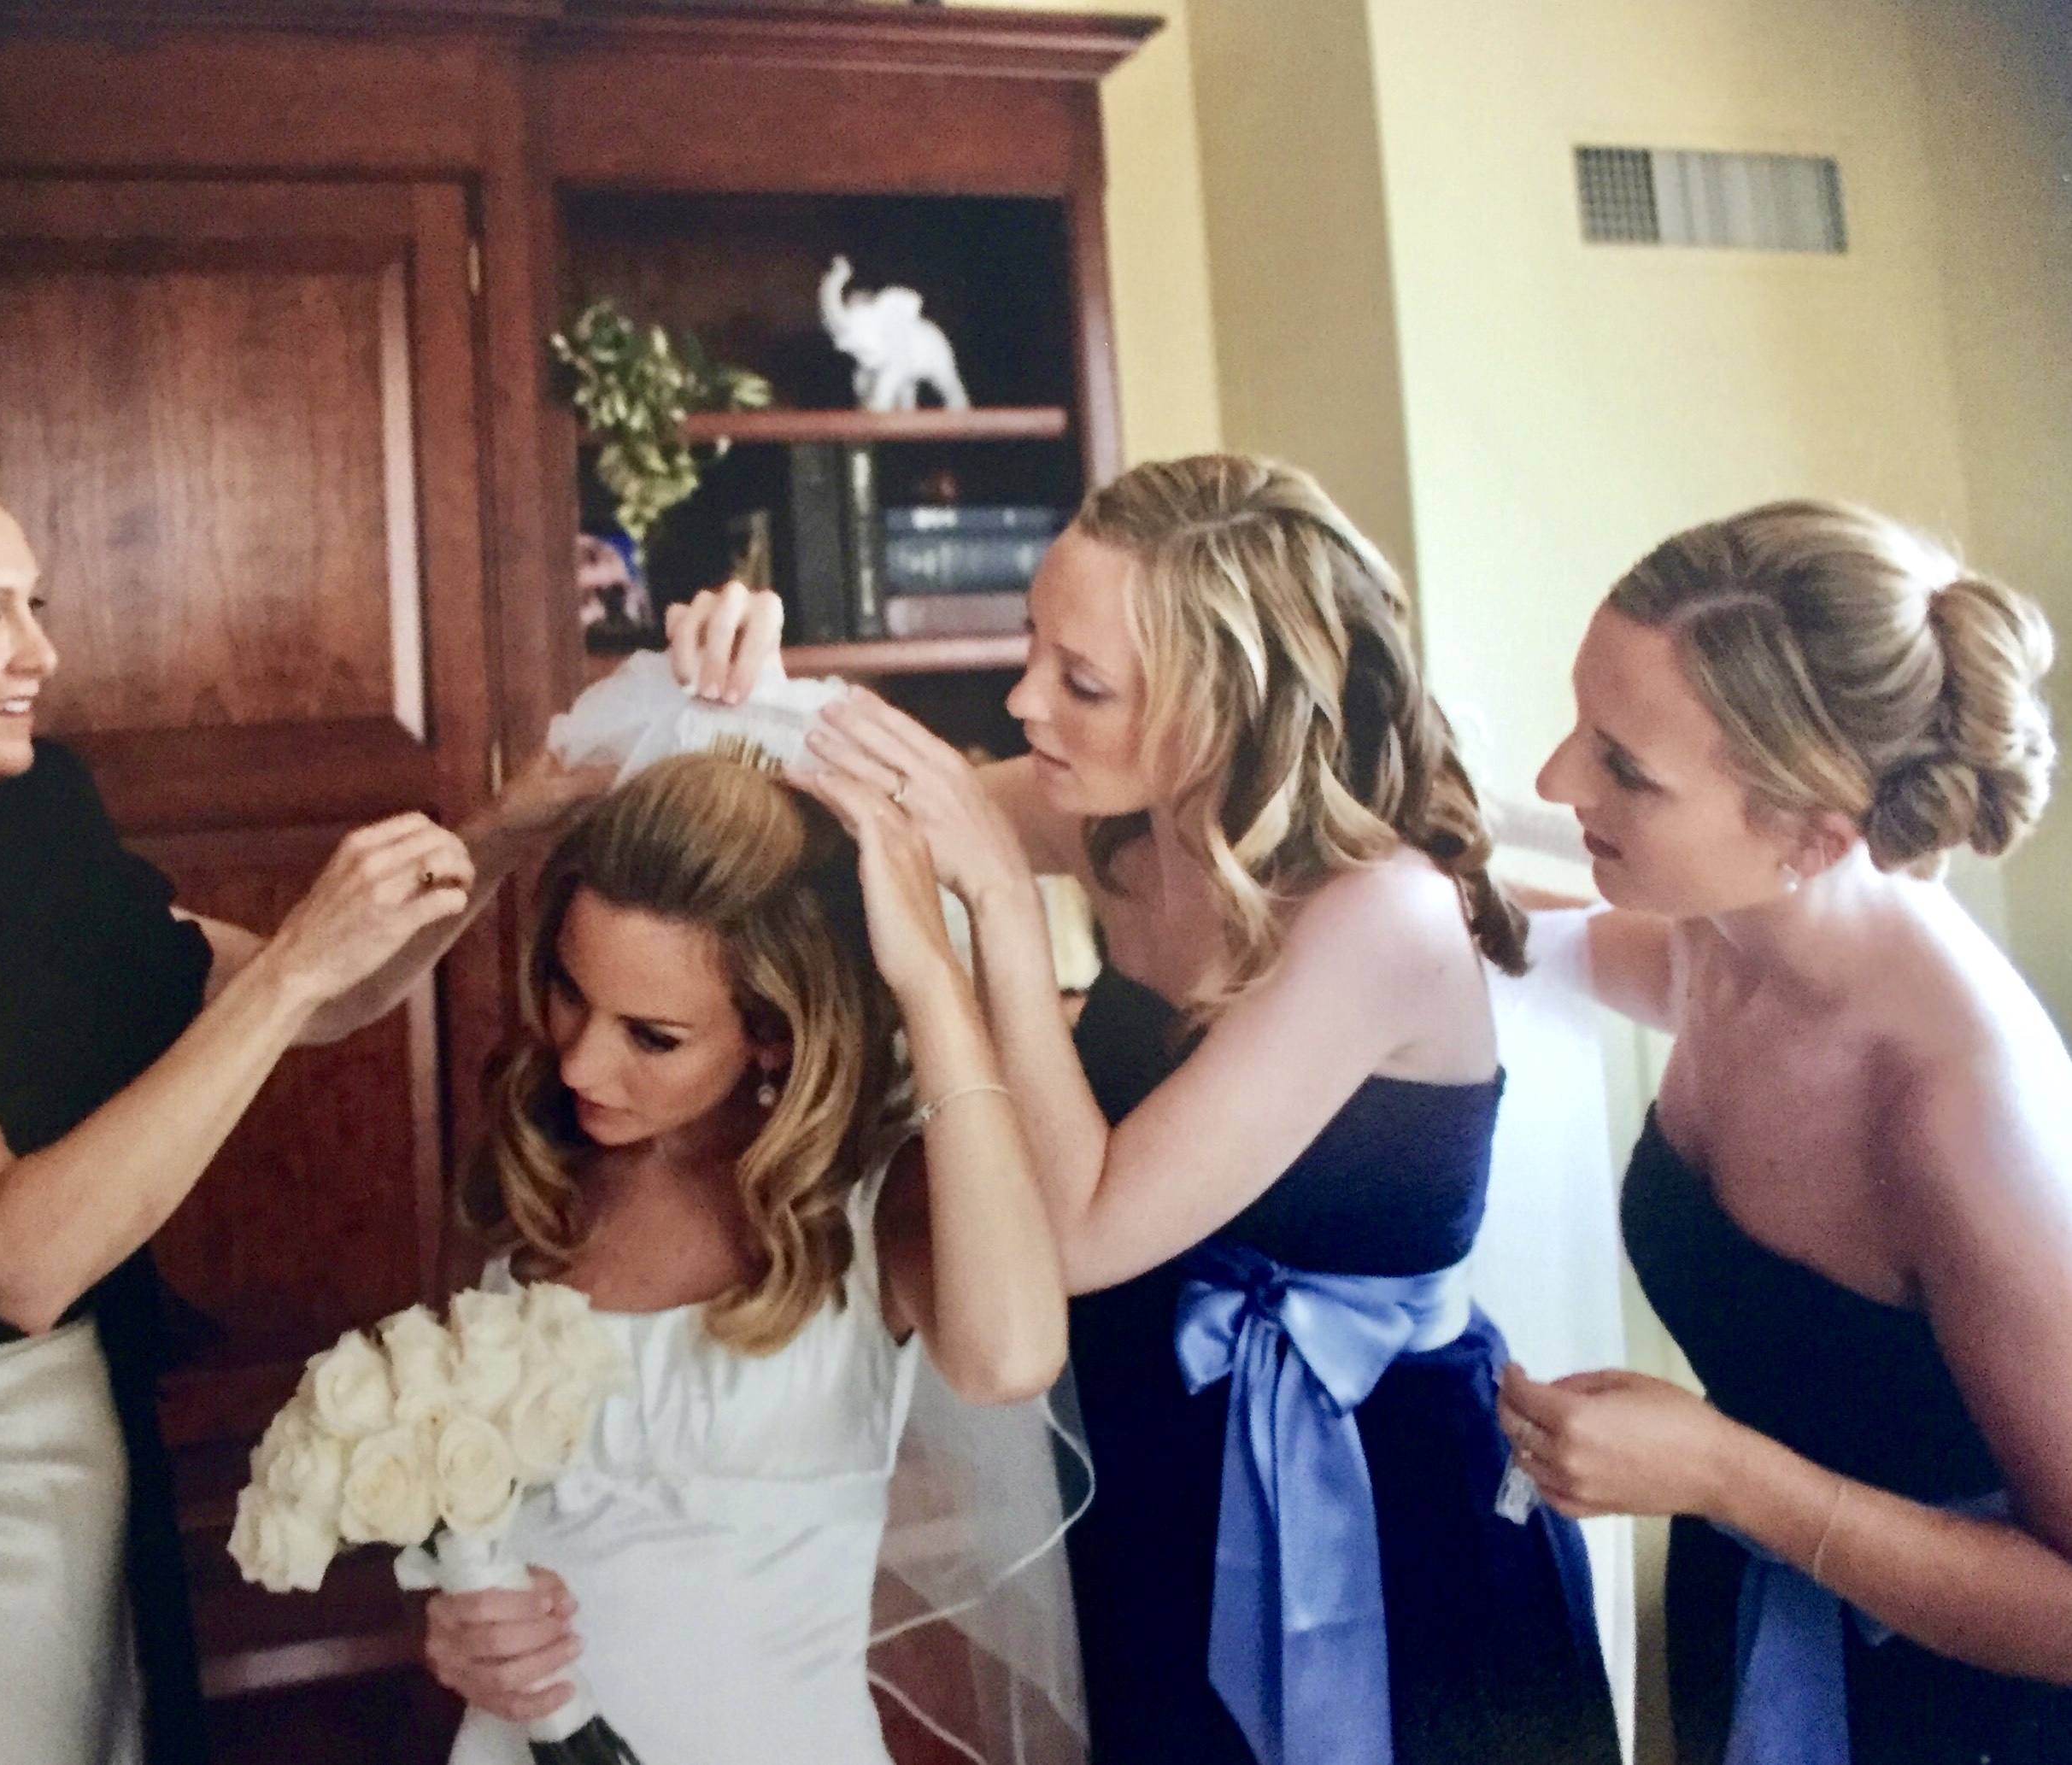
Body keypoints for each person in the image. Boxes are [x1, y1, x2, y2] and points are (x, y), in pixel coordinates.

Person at [0, 413, 599, 1765]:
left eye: (34, 605)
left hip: (70, 1457)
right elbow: (16, 1257)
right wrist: (293, 966)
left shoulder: (30, 833)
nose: (40, 654)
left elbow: (325, 1001)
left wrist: (502, 836)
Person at [671, 453, 1621, 1764]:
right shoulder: (1126, 819)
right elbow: (857, 821)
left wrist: (1002, 910)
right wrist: (753, 688)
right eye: (1032, 646)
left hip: (1382, 1503)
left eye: (1082, 681)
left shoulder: (1379, 915)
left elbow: (1080, 1229)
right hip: (1147, 1445)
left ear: (1228, 709)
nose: (1022, 700)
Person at [1500, 499, 2072, 1762]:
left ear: (1814, 835)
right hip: (1755, 1609)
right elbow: (1557, 939)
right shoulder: (1729, 935)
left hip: (1958, 1714)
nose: (1554, 781)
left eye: (1623, 768)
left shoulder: (1960, 1109)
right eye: (1582, 725)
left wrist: (1728, 1477)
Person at [417, 751, 1073, 1765]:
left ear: (772, 1033)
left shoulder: (876, 1201)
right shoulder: (529, 1170)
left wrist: (930, 983)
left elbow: (1012, 1357)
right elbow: (462, 1516)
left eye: (652, 1035)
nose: (582, 1059)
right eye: (568, 991)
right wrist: (461, 1629)